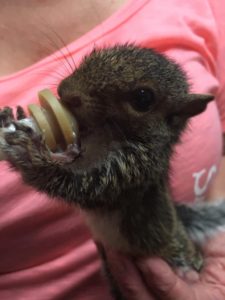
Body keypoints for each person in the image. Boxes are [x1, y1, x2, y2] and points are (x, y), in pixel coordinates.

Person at [0, 0, 225, 299]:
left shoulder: (139, 158)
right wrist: (24, 133)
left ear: (174, 116)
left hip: (166, 259)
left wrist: (29, 157)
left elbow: (83, 188)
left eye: (140, 100)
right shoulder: (103, 131)